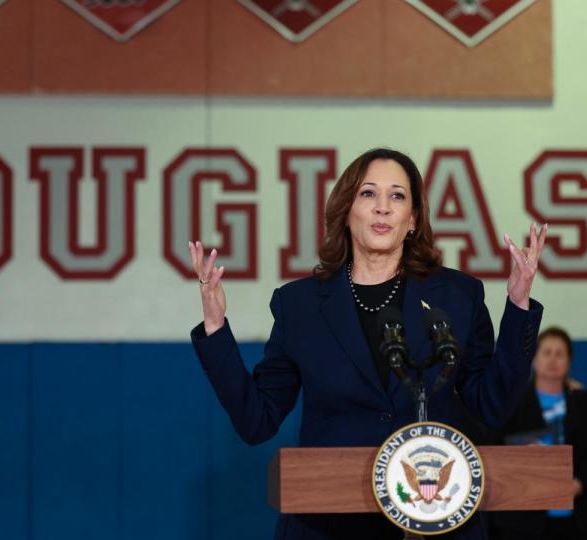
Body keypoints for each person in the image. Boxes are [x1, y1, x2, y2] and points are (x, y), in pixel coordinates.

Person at [189, 147, 546, 539]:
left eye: (397, 196)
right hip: (328, 525)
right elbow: (258, 421)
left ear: (412, 220)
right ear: (346, 212)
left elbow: (491, 406)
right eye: (368, 194)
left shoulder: (457, 296)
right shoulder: (300, 306)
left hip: (437, 523)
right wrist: (215, 326)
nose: (382, 208)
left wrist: (517, 306)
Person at [489, 327, 587, 540]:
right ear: (534, 358)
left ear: (569, 361)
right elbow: (495, 449)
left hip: (581, 516)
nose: (553, 359)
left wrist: (579, 483)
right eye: (546, 352)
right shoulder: (511, 403)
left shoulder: (586, 401)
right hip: (524, 518)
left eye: (559, 353)